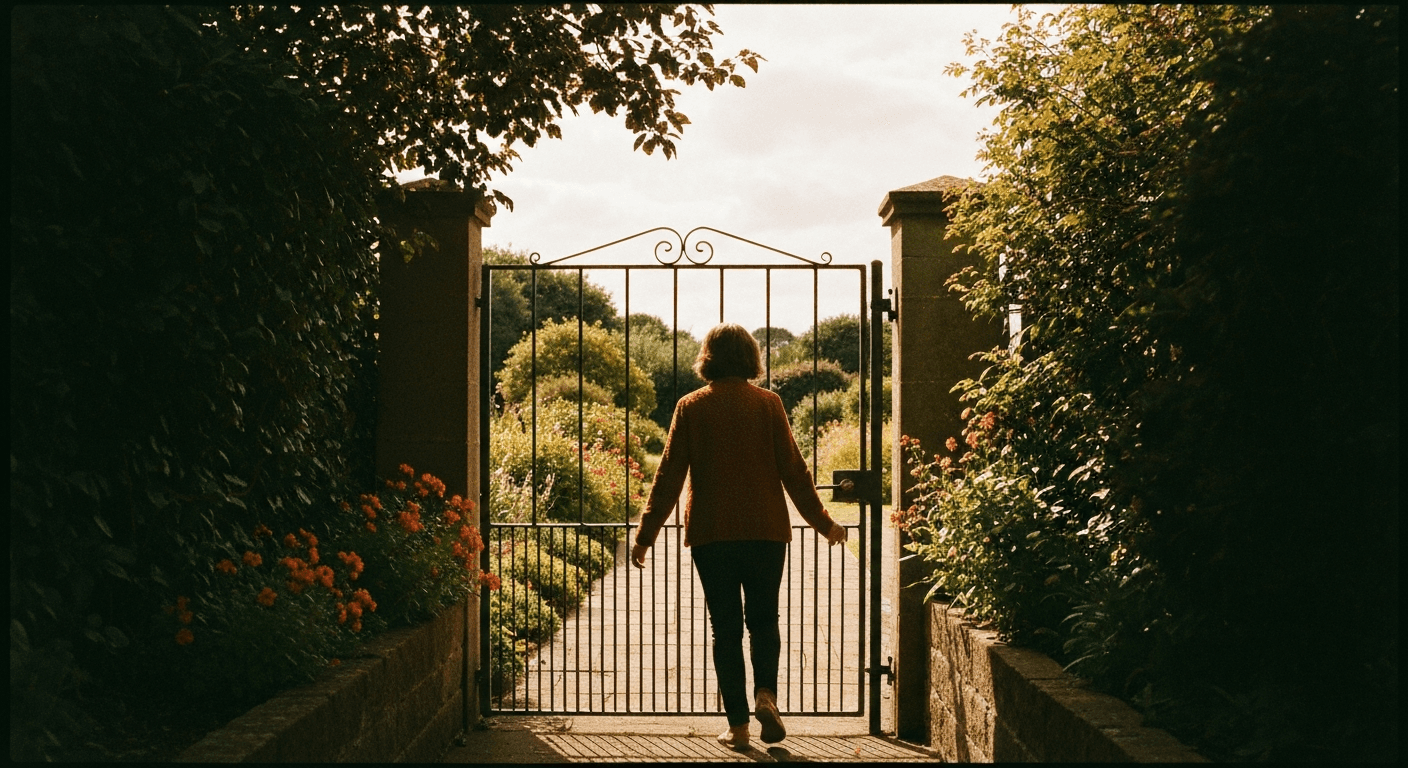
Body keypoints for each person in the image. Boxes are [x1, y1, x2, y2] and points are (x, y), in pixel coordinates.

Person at [630, 323, 847, 750]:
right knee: (764, 619)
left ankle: (739, 727)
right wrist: (824, 523)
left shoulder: (691, 407)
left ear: (707, 357)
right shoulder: (769, 404)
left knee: (725, 629)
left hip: (713, 534)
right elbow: (794, 472)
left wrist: (645, 535)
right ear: (751, 358)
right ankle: (766, 694)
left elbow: (669, 475)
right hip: (766, 531)